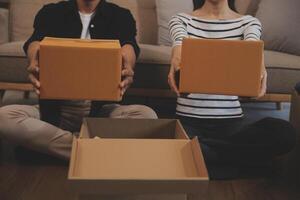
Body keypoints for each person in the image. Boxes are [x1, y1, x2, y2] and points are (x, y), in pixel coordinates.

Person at [0, 0, 157, 160]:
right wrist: (34, 59)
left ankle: (58, 148)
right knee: (4, 117)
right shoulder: (52, 11)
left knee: (146, 115)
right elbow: (35, 41)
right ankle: (88, 150)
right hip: (55, 111)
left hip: (100, 113)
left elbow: (128, 44)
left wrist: (128, 64)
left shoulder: (120, 15)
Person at [168, 0, 296, 179]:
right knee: (174, 149)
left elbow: (253, 48)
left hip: (231, 125)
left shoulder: (248, 23)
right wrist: (176, 60)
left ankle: (206, 160)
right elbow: (178, 46)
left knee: (284, 133)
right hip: (189, 123)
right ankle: (237, 166)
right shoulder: (182, 20)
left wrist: (259, 67)